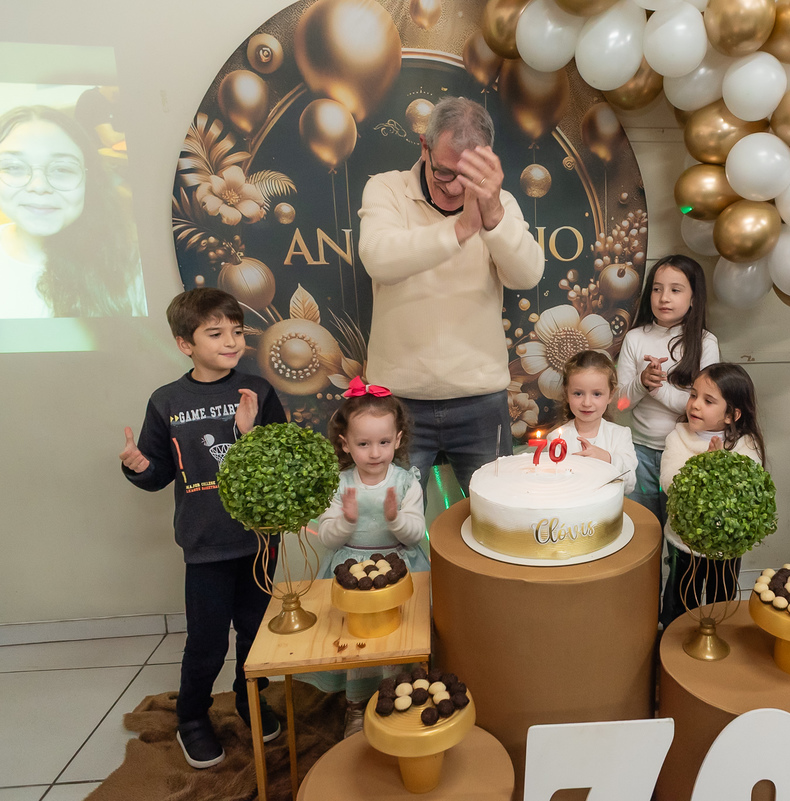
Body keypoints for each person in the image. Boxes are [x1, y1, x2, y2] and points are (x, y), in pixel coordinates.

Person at [119, 288, 287, 769]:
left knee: (256, 633)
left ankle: (249, 702)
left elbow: (279, 465)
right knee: (208, 640)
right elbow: (155, 476)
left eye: (236, 331)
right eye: (215, 333)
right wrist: (136, 465)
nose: (230, 341)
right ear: (184, 343)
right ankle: (192, 717)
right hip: (205, 544)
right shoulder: (167, 401)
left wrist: (252, 434)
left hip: (257, 541)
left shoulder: (259, 390)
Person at [357, 96, 543, 499]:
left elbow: (527, 275)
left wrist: (491, 217)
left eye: (467, 176)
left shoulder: (502, 203)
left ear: (487, 162)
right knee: (391, 530)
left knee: (498, 518)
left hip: (481, 401)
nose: (454, 188)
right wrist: (460, 230)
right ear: (423, 146)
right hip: (398, 403)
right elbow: (378, 258)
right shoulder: (386, 189)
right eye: (443, 172)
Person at [304, 376, 426, 738]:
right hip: (350, 573)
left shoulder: (407, 482)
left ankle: (399, 699)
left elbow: (416, 532)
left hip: (401, 571)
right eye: (363, 443)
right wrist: (346, 520)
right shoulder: (339, 484)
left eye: (384, 442)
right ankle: (357, 706)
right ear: (345, 444)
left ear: (398, 440)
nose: (375, 452)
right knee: (360, 643)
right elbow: (327, 537)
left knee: (398, 642)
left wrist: (394, 519)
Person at [0, 105, 143, 318]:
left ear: (89, 180)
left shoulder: (131, 263)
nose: (39, 186)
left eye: (62, 169)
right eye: (13, 167)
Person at [616, 254, 720, 527]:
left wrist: (657, 389)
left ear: (694, 298)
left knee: (682, 534)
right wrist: (641, 382)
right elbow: (619, 405)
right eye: (657, 288)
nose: (664, 298)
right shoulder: (635, 338)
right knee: (643, 532)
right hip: (640, 454)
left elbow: (704, 409)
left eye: (675, 290)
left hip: (688, 453)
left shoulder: (705, 342)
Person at [658, 363, 766, 626]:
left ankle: (718, 642)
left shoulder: (746, 444)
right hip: (683, 544)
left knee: (722, 601)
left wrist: (721, 468)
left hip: (726, 549)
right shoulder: (678, 436)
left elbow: (748, 491)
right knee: (680, 600)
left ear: (732, 415)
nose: (694, 405)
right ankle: (672, 644)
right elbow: (668, 482)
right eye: (693, 395)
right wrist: (704, 467)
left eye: (708, 401)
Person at [554, 349, 637, 495]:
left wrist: (608, 459)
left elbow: (629, 485)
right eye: (578, 393)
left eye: (597, 394)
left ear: (610, 395)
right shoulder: (556, 438)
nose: (587, 403)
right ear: (566, 393)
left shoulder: (620, 435)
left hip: (607, 514)